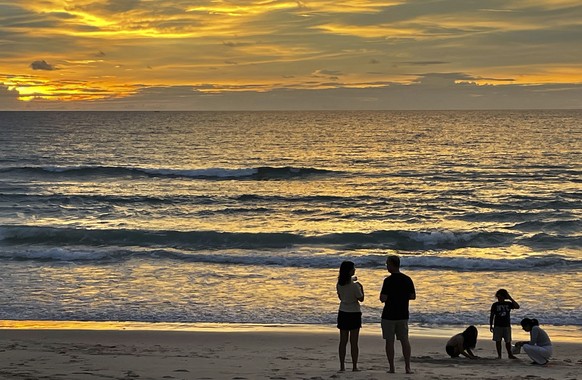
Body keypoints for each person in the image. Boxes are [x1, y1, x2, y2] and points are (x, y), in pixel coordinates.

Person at [380, 255, 416, 374]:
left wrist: (391, 296)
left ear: (392, 264)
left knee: (389, 341)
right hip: (402, 314)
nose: (386, 266)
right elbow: (412, 296)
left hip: (389, 315)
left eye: (387, 264)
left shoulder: (388, 281)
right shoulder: (407, 279)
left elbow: (383, 298)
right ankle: (407, 367)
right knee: (405, 341)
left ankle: (392, 367)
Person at [336, 260, 364, 372]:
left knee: (343, 341)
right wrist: (361, 288)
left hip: (343, 311)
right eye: (353, 268)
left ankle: (342, 366)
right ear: (349, 271)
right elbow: (361, 298)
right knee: (354, 342)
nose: (354, 270)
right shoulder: (355, 286)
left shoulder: (339, 284)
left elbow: (340, 297)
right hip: (354, 313)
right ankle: (354, 366)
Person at [489, 288, 520, 359]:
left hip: (506, 325)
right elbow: (492, 315)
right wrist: (491, 325)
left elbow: (517, 306)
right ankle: (499, 355)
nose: (499, 298)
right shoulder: (495, 305)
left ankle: (510, 354)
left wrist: (510, 298)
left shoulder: (508, 304)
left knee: (508, 341)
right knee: (498, 341)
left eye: (501, 297)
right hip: (497, 325)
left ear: (504, 297)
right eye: (498, 297)